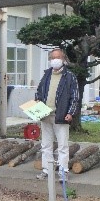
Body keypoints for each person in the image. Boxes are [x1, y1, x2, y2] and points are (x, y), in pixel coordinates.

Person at [35, 48, 79, 182]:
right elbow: (39, 91)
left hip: (61, 115)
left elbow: (75, 96)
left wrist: (70, 112)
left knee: (63, 146)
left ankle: (63, 171)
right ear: (50, 60)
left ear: (63, 59)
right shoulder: (46, 75)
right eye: (53, 57)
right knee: (46, 145)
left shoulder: (69, 76)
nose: (55, 60)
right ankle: (46, 169)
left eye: (58, 57)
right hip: (45, 115)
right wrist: (36, 102)